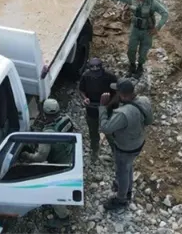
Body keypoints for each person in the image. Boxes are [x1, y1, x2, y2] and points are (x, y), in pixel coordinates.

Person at [99, 78, 153, 211]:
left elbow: (105, 128)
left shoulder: (123, 113)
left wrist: (102, 107)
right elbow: (149, 120)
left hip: (125, 147)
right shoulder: (144, 101)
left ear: (122, 95)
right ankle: (127, 189)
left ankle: (122, 199)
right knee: (128, 166)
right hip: (138, 143)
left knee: (122, 171)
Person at [91, 0, 169, 76]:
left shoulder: (152, 3)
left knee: (143, 51)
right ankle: (132, 65)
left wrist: (157, 28)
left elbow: (165, 14)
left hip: (147, 32)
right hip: (135, 30)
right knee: (131, 50)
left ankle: (140, 66)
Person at [21, 98, 74, 228]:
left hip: (59, 165)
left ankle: (63, 217)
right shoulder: (67, 119)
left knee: (55, 191)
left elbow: (40, 157)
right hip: (70, 156)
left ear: (44, 114)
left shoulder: (49, 133)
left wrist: (26, 155)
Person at [78, 58, 117, 162]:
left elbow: (117, 93)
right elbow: (81, 90)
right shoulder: (86, 76)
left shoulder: (110, 77)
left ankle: (116, 153)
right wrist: (85, 98)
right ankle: (94, 153)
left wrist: (109, 104)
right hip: (91, 109)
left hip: (107, 109)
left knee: (110, 133)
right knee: (93, 133)